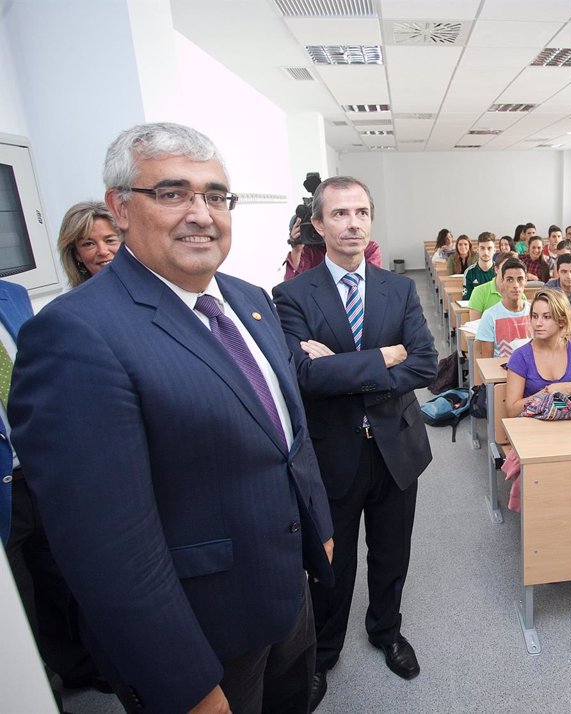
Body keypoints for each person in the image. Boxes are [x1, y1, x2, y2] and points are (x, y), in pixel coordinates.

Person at [10, 122, 334, 713]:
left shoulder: (249, 299)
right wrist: (186, 686)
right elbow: (106, 550)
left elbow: (288, 434)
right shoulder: (75, 335)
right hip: (203, 633)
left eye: (215, 195)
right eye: (172, 193)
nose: (201, 214)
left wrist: (321, 529)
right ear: (120, 209)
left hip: (287, 592)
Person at [273, 175, 437, 702]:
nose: (353, 223)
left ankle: (386, 631)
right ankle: (323, 652)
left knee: (392, 552)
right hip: (332, 452)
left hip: (396, 447)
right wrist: (383, 358)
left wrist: (343, 368)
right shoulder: (291, 295)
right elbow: (302, 377)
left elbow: (427, 365)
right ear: (318, 225)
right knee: (331, 562)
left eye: (361, 212)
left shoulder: (399, 287)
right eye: (339, 214)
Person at [1, 279, 106, 708]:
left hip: (41, 469)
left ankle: (77, 667)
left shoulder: (13, 295)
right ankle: (39, 695)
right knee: (15, 605)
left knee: (60, 578)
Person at [505, 288, 571, 417]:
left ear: (562, 321)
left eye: (546, 317)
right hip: (532, 427)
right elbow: (512, 411)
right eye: (535, 316)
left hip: (570, 424)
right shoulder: (520, 356)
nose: (538, 323)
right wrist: (548, 391)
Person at [56, 201, 122, 287]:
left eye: (110, 240)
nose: (102, 251)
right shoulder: (76, 300)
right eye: (89, 244)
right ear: (77, 254)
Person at [476, 258, 530, 359]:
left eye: (520, 279)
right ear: (502, 282)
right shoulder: (490, 316)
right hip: (501, 371)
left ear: (526, 281)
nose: (515, 285)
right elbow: (487, 362)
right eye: (510, 280)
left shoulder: (535, 312)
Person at [468, 251, 516, 319]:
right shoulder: (479, 292)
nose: (509, 271)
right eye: (505, 267)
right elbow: (475, 326)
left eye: (512, 268)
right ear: (496, 269)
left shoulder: (518, 294)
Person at [463, 231, 496, 300]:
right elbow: (467, 300)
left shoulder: (501, 271)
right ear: (477, 249)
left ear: (494, 250)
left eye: (489, 248)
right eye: (482, 248)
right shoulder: (469, 272)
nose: (486, 252)